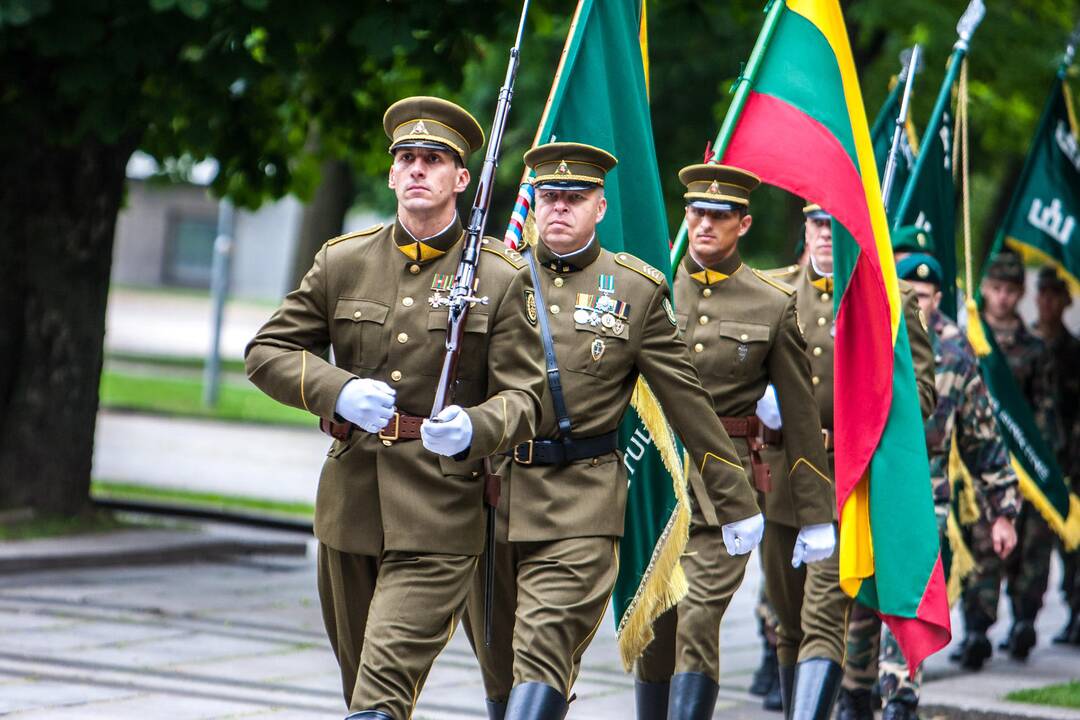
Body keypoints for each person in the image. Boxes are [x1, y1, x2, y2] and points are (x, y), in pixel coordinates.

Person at [244, 96, 547, 720]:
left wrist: (476, 427)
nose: (416, 169)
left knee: (380, 691)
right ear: (389, 175)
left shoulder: (499, 274)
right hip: (350, 505)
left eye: (433, 160)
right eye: (405, 158)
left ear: (462, 179)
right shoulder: (344, 260)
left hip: (441, 509)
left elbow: (528, 395)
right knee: (365, 693)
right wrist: (337, 391)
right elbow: (267, 351)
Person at [461, 142, 764, 720]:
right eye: (548, 196)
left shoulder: (636, 290)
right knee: (500, 669)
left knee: (545, 649)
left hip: (581, 499)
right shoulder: (492, 275)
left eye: (574, 199)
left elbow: (688, 404)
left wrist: (735, 499)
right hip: (491, 498)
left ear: (600, 207)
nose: (558, 209)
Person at [633, 164, 833, 720]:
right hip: (657, 479)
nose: (704, 224)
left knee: (697, 614)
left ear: (742, 224)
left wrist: (816, 516)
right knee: (652, 622)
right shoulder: (653, 287)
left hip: (728, 494)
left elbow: (797, 419)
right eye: (696, 212)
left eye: (719, 216)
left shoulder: (771, 303)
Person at [768, 207, 938, 720]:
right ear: (805, 229)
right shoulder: (771, 291)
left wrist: (861, 414)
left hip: (847, 482)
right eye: (818, 224)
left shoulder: (891, 301)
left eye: (837, 225)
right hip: (781, 480)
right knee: (788, 619)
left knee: (822, 618)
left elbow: (923, 396)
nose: (826, 235)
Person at [839, 248, 1021, 720]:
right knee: (859, 603)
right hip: (870, 492)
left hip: (925, 499)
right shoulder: (875, 335)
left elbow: (982, 434)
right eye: (907, 293)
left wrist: (1002, 510)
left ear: (938, 296)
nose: (914, 302)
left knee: (907, 598)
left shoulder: (956, 351)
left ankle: (900, 695)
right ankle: (855, 690)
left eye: (922, 295)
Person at [952, 251, 1060, 669]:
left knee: (1030, 548)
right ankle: (977, 630)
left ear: (1020, 294)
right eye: (995, 289)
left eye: (1009, 291)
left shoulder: (1035, 350)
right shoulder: (971, 342)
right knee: (980, 548)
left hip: (1026, 469)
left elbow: (1045, 412)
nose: (1001, 297)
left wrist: (1040, 462)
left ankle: (1024, 622)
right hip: (980, 468)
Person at [1033, 265, 1079, 645]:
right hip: (1037, 462)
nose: (1047, 301)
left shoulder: (1074, 352)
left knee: (1073, 546)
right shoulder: (1027, 346)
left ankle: (1076, 611)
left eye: (1054, 294)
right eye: (1042, 293)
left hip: (1072, 464)